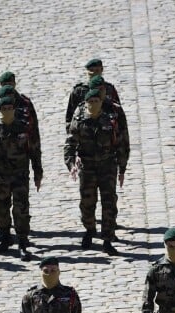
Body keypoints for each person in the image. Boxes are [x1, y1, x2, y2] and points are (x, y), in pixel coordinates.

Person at [64, 89, 130, 256]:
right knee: (87, 202)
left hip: (107, 166)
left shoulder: (110, 120)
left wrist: (122, 167)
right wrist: (71, 164)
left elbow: (121, 144)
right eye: (90, 102)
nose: (93, 105)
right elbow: (70, 143)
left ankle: (107, 238)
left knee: (109, 203)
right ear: (85, 104)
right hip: (87, 167)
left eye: (96, 101)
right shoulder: (79, 120)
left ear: (101, 103)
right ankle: (89, 230)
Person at [0, 95, 43, 260]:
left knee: (21, 209)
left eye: (10, 108)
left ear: (14, 110)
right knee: (1, 208)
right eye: (4, 109)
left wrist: (38, 171)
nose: (7, 112)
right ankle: (5, 237)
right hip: (1, 175)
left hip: (20, 175)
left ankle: (22, 242)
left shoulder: (23, 128)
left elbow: (34, 151)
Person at [0, 73, 40, 148]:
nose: (7, 86)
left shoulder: (24, 102)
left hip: (20, 149)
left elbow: (34, 127)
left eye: (10, 84)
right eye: (5, 84)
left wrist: (35, 150)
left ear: (14, 84)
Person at [66, 58, 121, 133]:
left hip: (106, 131)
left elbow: (118, 111)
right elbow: (70, 116)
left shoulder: (109, 89)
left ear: (102, 70)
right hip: (85, 131)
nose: (94, 73)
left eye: (97, 70)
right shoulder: (79, 91)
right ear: (87, 72)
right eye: (91, 70)